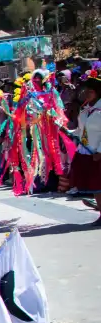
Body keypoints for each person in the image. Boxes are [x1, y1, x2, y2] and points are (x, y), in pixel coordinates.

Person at [72, 71, 101, 225]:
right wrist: (65, 130)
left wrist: (100, 151)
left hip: (97, 152)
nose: (86, 93)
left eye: (90, 91)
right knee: (96, 186)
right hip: (86, 151)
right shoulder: (85, 110)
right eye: (85, 91)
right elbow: (80, 131)